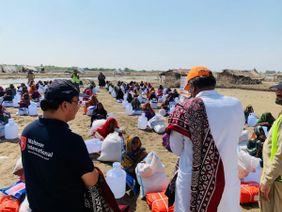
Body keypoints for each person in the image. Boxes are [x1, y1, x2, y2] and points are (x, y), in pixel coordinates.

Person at [164, 66, 244, 211]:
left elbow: (176, 149)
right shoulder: (236, 104)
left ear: (193, 87)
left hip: (193, 181)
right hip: (228, 176)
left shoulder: (185, 108)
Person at [20, 79, 99, 211]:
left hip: (37, 205)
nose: (79, 106)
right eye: (76, 102)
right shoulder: (71, 141)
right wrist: (96, 172)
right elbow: (91, 181)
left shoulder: (28, 131)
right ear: (64, 105)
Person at [260, 81, 282, 212]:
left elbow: (280, 156)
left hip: (276, 180)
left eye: (280, 91)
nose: (277, 93)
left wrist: (267, 181)